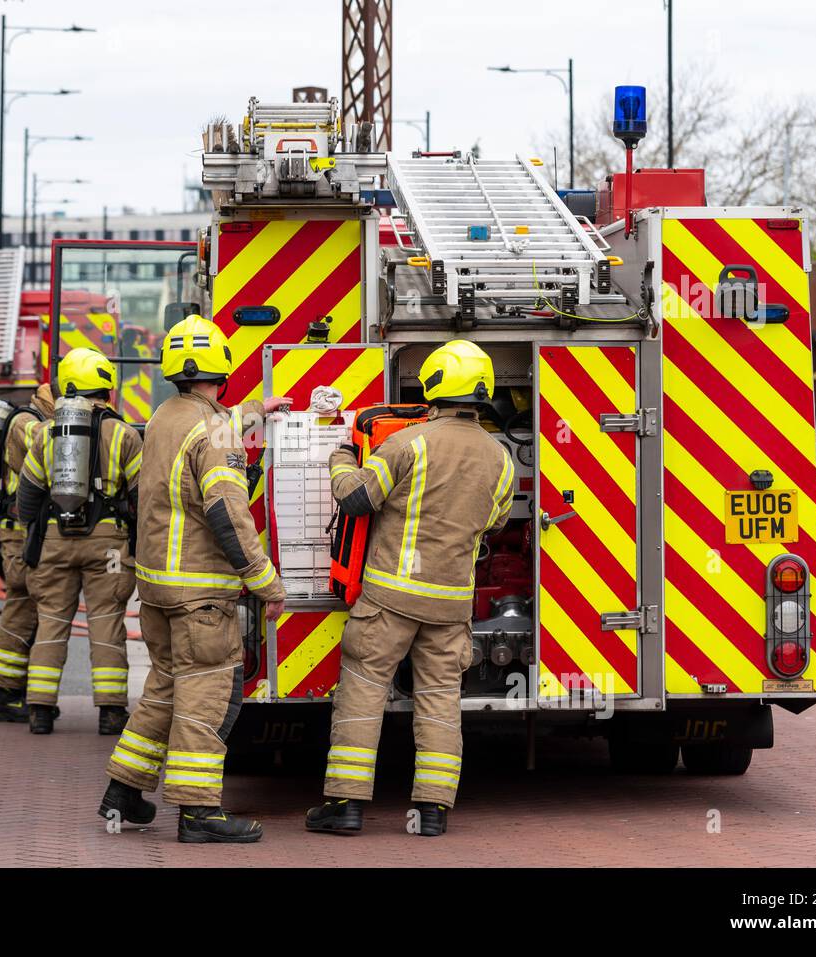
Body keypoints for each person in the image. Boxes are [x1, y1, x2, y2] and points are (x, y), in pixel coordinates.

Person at [305, 340, 514, 838]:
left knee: (364, 691)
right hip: (451, 604)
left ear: (434, 386)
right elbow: (495, 523)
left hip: (389, 599)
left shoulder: (407, 444)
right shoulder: (501, 458)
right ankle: (433, 812)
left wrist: (340, 457)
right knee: (440, 700)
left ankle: (346, 805)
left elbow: (356, 498)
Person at [97, 315, 288, 844]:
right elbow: (227, 510)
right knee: (207, 698)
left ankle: (124, 789)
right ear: (222, 370)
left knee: (164, 689)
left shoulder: (162, 416)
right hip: (200, 593)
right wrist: (266, 580)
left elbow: (207, 431)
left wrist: (255, 412)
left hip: (158, 588)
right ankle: (198, 813)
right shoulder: (217, 429)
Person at [16, 348, 143, 735]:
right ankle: (110, 712)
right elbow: (141, 498)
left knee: (50, 622)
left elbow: (27, 495)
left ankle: (39, 709)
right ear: (106, 385)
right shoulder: (124, 433)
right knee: (106, 623)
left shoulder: (48, 432)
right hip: (107, 545)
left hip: (54, 540)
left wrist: (39, 532)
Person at [0, 384, 55, 722]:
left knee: (33, 610)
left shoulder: (36, 420)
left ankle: (23, 692)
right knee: (21, 607)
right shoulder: (24, 423)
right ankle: (7, 696)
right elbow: (48, 446)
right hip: (17, 535)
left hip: (29, 534)